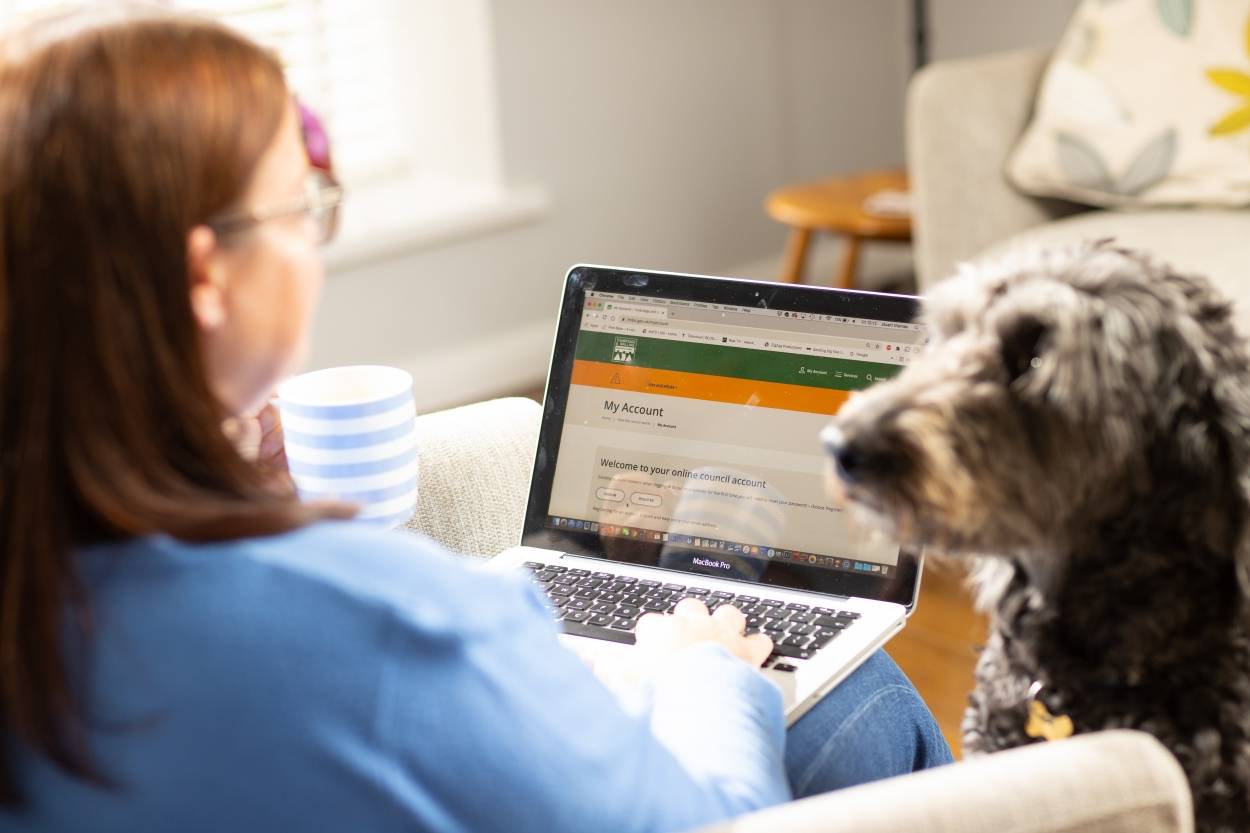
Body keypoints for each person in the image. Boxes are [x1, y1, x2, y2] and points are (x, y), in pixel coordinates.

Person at [0, 9, 951, 833]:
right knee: (864, 697)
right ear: (206, 276)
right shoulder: (382, 614)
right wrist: (705, 675)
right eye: (302, 207)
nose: (314, 238)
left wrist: (214, 461)